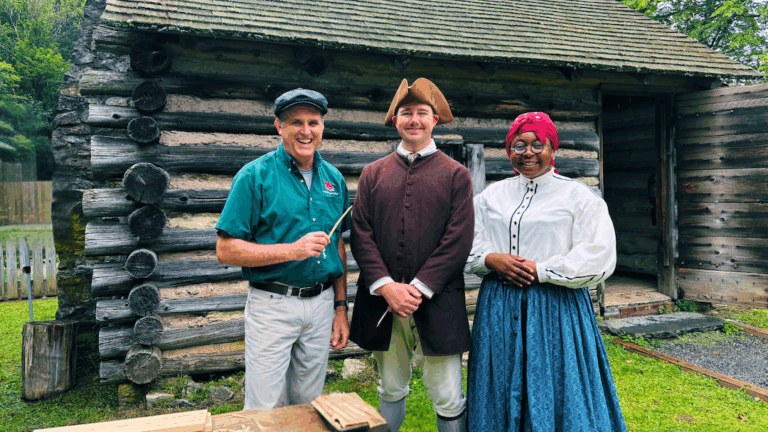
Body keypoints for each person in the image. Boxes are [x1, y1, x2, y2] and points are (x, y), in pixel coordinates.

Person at [464, 112, 627, 431]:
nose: (528, 152)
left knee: (556, 384)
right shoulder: (490, 197)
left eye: (538, 144)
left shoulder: (578, 196)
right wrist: (490, 259)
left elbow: (598, 255)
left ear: (554, 148)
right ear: (508, 150)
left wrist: (542, 270)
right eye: (518, 145)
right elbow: (465, 242)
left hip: (556, 308)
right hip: (499, 306)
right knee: (500, 381)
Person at [350, 78, 474, 432]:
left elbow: (458, 240)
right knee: (390, 385)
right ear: (395, 120)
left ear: (435, 120)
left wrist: (418, 287)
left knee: (447, 391)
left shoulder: (456, 175)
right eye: (406, 113)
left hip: (438, 299)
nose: (414, 120)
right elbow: (361, 233)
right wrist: (387, 286)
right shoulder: (373, 174)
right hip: (383, 300)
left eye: (422, 113)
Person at [215, 88, 351, 411]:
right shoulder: (254, 177)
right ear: (279, 127)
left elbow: (338, 245)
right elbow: (225, 250)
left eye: (314, 123)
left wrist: (341, 308)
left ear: (322, 127)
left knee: (309, 404)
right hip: (273, 304)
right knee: (264, 409)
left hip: (321, 306)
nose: (306, 131)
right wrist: (291, 251)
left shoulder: (334, 179)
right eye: (296, 123)